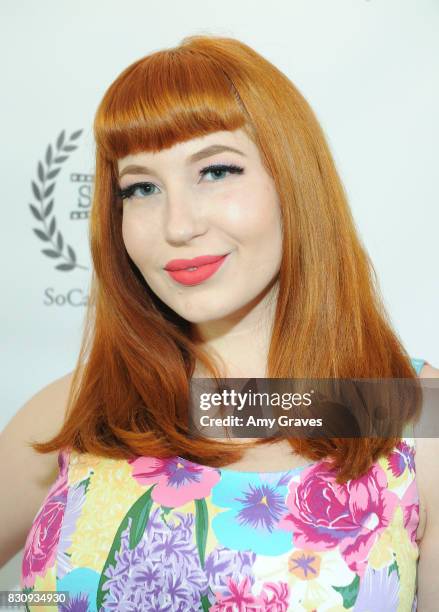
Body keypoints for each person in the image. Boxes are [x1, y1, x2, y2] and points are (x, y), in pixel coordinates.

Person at [1, 34, 438, 611]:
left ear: (292, 181)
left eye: (215, 171)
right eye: (142, 187)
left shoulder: (411, 412)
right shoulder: (80, 406)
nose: (177, 225)